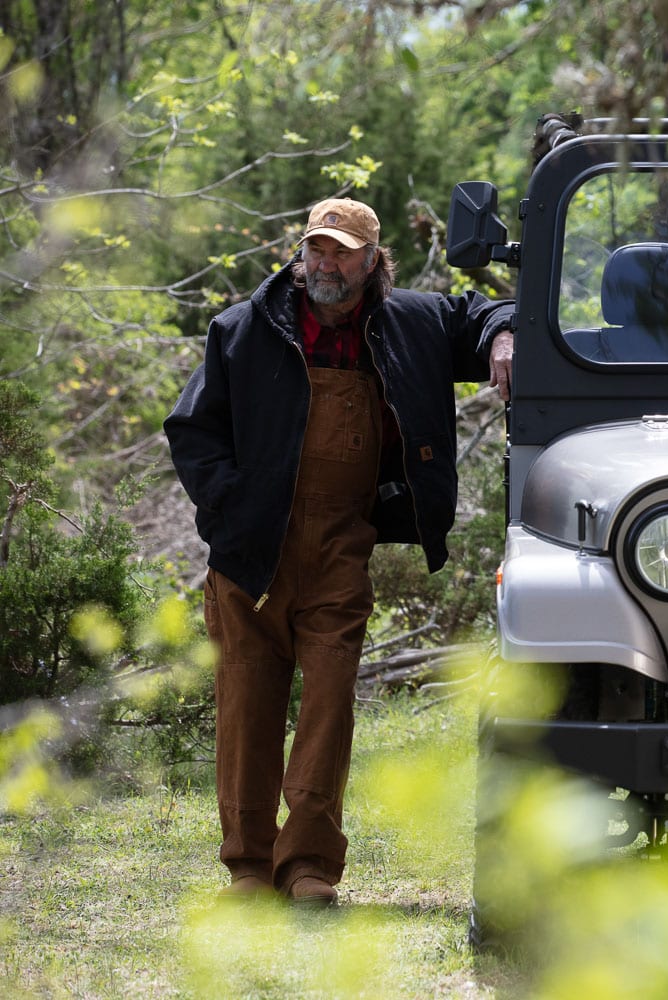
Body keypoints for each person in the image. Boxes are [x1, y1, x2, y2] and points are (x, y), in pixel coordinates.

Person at [164, 196, 514, 907]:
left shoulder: (410, 324)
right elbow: (191, 430)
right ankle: (248, 868)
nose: (327, 263)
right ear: (301, 254)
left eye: (343, 252)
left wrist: (506, 337)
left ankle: (310, 866)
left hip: (339, 547)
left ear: (371, 260)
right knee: (247, 703)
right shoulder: (243, 330)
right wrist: (228, 512)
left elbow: (483, 313)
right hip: (251, 550)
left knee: (328, 704)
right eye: (317, 249)